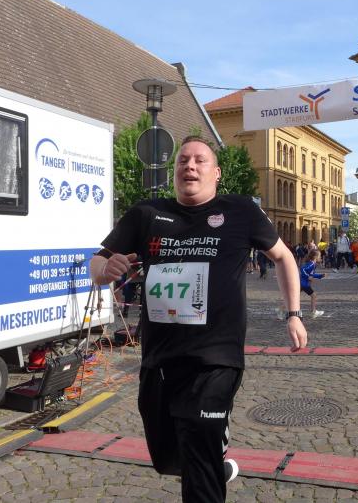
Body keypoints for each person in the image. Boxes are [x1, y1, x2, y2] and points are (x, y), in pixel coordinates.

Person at [89, 136, 308, 502]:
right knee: (168, 457)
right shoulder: (147, 214)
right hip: (160, 358)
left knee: (198, 450)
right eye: (183, 160)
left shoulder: (240, 211)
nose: (189, 166)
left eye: (199, 160)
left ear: (216, 172)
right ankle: (213, 464)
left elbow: (284, 257)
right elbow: (97, 262)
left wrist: (294, 314)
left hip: (215, 359)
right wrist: (105, 270)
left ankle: (209, 463)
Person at [280, 249, 324, 318]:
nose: (320, 257)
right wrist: (308, 276)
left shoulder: (313, 264)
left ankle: (280, 309)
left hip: (302, 284)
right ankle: (313, 312)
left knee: (293, 297)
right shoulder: (312, 264)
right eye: (320, 256)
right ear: (315, 257)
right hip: (303, 284)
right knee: (313, 295)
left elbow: (311, 274)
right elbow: (302, 269)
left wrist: (320, 276)